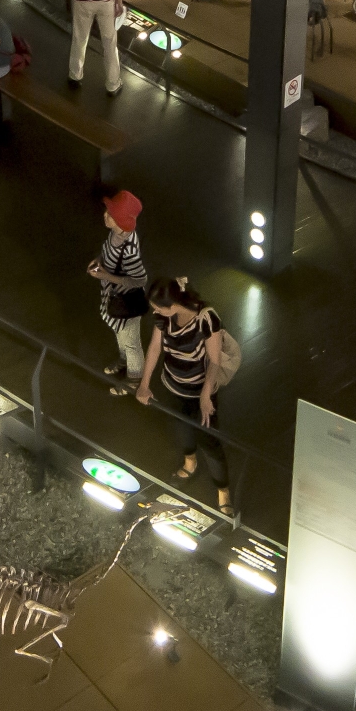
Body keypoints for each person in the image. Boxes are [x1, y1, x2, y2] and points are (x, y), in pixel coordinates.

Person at [136, 278, 231, 511]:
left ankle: (223, 491)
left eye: (158, 307)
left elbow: (215, 361)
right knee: (181, 428)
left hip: (200, 390)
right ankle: (190, 462)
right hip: (173, 385)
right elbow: (155, 347)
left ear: (174, 304)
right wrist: (144, 384)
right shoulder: (163, 318)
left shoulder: (206, 318)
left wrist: (206, 394)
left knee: (209, 440)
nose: (154, 311)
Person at [89, 189, 150, 389]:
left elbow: (140, 280)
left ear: (121, 221)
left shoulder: (130, 250)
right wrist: (99, 261)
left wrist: (105, 275)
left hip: (126, 304)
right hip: (113, 298)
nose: (105, 216)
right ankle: (124, 361)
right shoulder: (115, 234)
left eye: (111, 215)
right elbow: (107, 253)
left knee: (131, 342)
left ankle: (134, 380)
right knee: (120, 334)